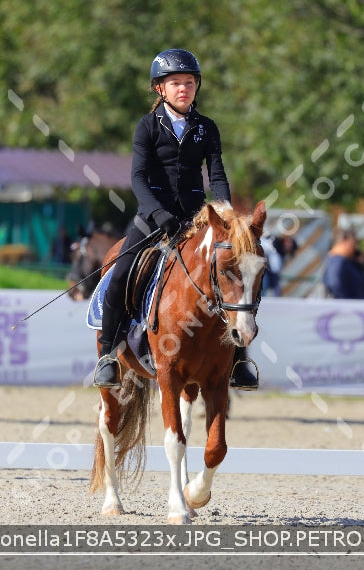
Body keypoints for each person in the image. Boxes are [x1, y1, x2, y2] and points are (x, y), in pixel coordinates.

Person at [93, 48, 259, 390]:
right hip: (152, 216)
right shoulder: (147, 127)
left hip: (197, 217)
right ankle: (109, 354)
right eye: (175, 84)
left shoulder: (207, 128)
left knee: (240, 269)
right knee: (121, 270)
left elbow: (216, 174)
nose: (183, 89)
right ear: (160, 89)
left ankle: (240, 359)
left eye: (189, 82)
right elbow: (138, 178)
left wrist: (224, 212)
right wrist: (158, 213)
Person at [323, 228, 364, 300]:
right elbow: (335, 284)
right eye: (353, 243)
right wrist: (347, 303)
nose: (355, 247)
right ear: (343, 242)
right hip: (352, 307)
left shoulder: (348, 260)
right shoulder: (338, 261)